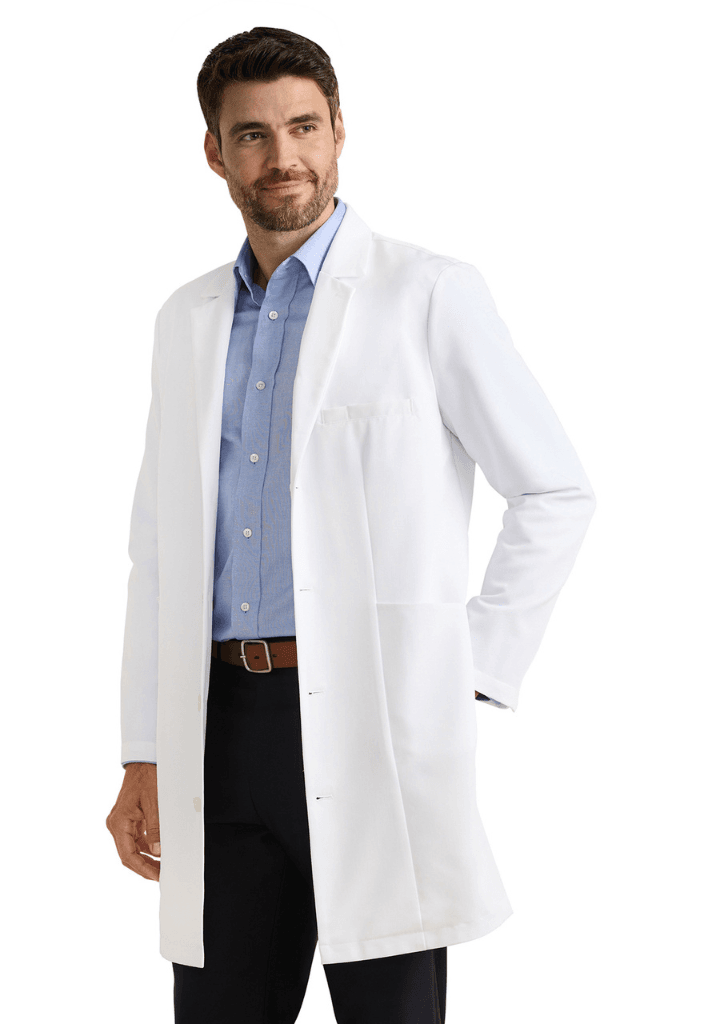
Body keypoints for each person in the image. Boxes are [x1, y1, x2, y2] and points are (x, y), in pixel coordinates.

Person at [106, 25, 596, 1024]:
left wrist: (466, 667)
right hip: (219, 730)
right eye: (251, 134)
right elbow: (156, 549)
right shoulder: (186, 319)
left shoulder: (426, 293)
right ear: (215, 153)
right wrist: (143, 747)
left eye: (302, 127)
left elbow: (553, 490)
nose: (281, 156)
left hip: (374, 719)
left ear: (338, 132)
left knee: (390, 1009)